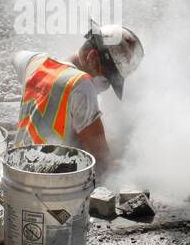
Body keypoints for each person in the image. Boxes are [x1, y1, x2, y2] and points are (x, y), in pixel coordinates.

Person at [10, 23, 144, 173]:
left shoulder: (35, 62)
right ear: (92, 58)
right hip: (47, 180)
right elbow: (102, 157)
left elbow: (15, 56)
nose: (106, 87)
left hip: (15, 167)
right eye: (107, 79)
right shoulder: (82, 86)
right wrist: (126, 167)